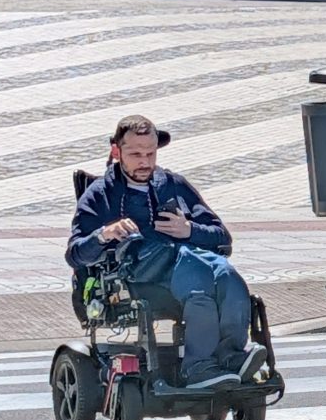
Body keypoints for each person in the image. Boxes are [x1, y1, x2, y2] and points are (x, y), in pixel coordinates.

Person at [66, 116, 263, 390]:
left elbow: (223, 239)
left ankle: (229, 357)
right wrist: (104, 234)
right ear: (116, 151)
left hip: (187, 262)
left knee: (225, 273)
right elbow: (75, 255)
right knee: (198, 275)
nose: (145, 161)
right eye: (135, 154)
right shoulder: (100, 194)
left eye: (150, 153)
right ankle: (196, 367)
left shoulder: (172, 184)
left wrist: (190, 229)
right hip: (135, 271)